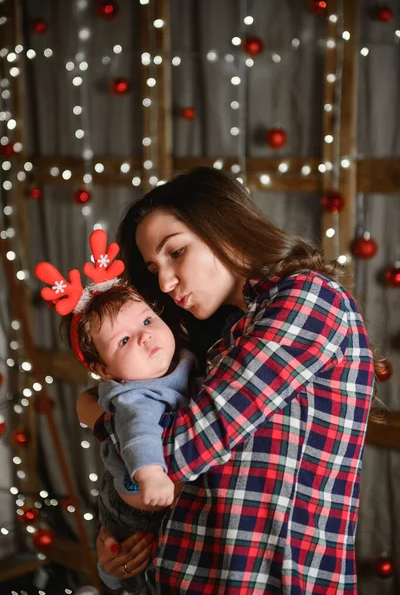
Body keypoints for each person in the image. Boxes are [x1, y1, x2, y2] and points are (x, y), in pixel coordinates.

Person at [78, 167, 376, 594]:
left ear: (226, 229)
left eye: (176, 252)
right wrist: (125, 541)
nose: (165, 281)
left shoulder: (309, 299)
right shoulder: (226, 334)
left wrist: (95, 415)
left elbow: (179, 452)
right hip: (180, 572)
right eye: (153, 266)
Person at [35, 232, 197, 594]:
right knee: (136, 565)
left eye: (146, 321)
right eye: (123, 341)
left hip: (156, 500)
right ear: (105, 371)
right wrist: (152, 475)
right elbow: (139, 433)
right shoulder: (135, 397)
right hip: (136, 504)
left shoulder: (181, 360)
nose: (144, 337)